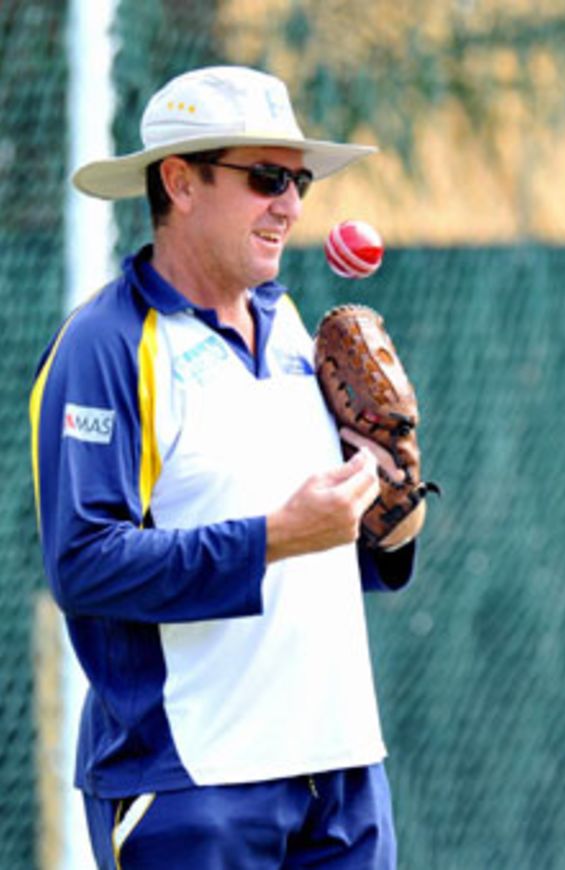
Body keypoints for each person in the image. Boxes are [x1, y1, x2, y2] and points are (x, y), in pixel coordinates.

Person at [29, 65, 425, 868]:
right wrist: (276, 536)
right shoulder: (104, 344)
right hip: (193, 782)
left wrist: (395, 496)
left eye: (299, 180)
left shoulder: (293, 329)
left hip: (340, 767)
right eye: (266, 177)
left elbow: (353, 555)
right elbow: (83, 565)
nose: (291, 204)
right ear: (179, 181)